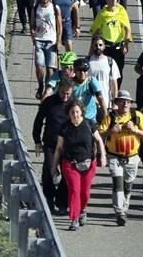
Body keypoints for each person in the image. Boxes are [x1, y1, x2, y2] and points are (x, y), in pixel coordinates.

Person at [52, 99, 107, 231]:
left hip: (88, 163)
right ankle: (74, 219)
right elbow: (59, 148)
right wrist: (54, 166)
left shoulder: (89, 124)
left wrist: (103, 156)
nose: (75, 115)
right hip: (70, 164)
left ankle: (83, 209)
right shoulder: (65, 127)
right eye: (72, 112)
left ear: (82, 111)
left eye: (77, 112)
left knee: (85, 192)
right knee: (74, 191)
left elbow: (99, 140)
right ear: (68, 113)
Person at [99, 89, 143, 226]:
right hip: (114, 156)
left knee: (128, 185)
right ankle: (120, 212)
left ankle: (124, 206)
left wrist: (135, 130)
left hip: (132, 157)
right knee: (118, 183)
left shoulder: (137, 116)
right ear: (117, 103)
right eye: (122, 101)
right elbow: (99, 134)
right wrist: (111, 131)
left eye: (128, 102)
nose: (125, 104)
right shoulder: (110, 117)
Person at [33, 78, 73, 213]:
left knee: (67, 174)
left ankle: (61, 201)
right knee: (49, 171)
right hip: (51, 143)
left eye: (68, 94)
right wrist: (37, 140)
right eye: (63, 93)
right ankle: (48, 200)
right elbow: (38, 121)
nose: (65, 97)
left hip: (67, 145)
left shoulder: (74, 104)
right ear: (58, 90)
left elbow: (80, 124)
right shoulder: (49, 102)